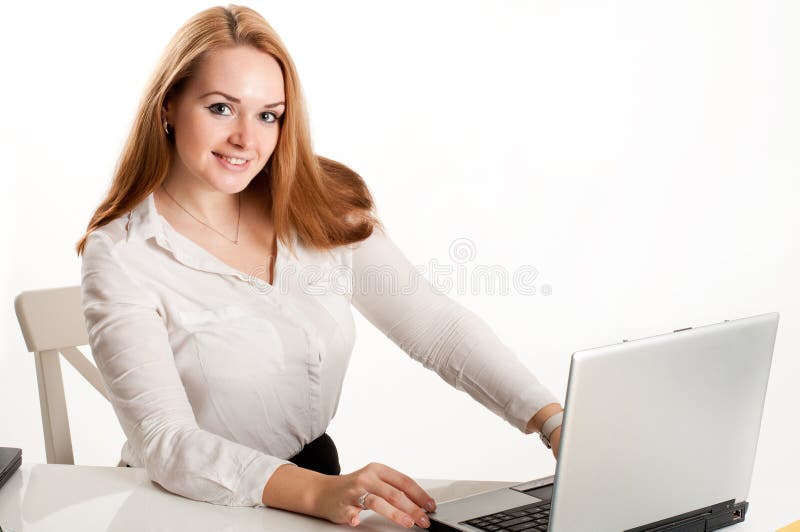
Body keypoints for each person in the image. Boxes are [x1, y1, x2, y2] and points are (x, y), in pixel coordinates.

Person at [76, 4, 564, 529]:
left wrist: (554, 423)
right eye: (221, 108)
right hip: (182, 508)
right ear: (168, 105)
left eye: (268, 115)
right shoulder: (122, 254)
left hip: (314, 489)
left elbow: (436, 329)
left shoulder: (318, 204)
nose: (247, 138)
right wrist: (319, 492)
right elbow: (165, 443)